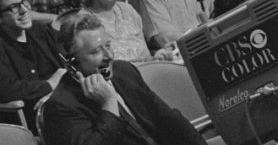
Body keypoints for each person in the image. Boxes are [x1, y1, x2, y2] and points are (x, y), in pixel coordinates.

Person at [41, 13, 204, 145]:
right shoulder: (60, 108)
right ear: (71, 63)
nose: (109, 56)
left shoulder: (123, 71)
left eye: (109, 45)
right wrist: (109, 103)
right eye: (96, 51)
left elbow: (169, 119)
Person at [0, 0, 66, 132]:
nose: (24, 10)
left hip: (61, 102)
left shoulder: (41, 31)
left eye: (24, 1)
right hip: (30, 119)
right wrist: (48, 85)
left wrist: (56, 89)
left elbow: (70, 61)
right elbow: (5, 89)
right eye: (14, 7)